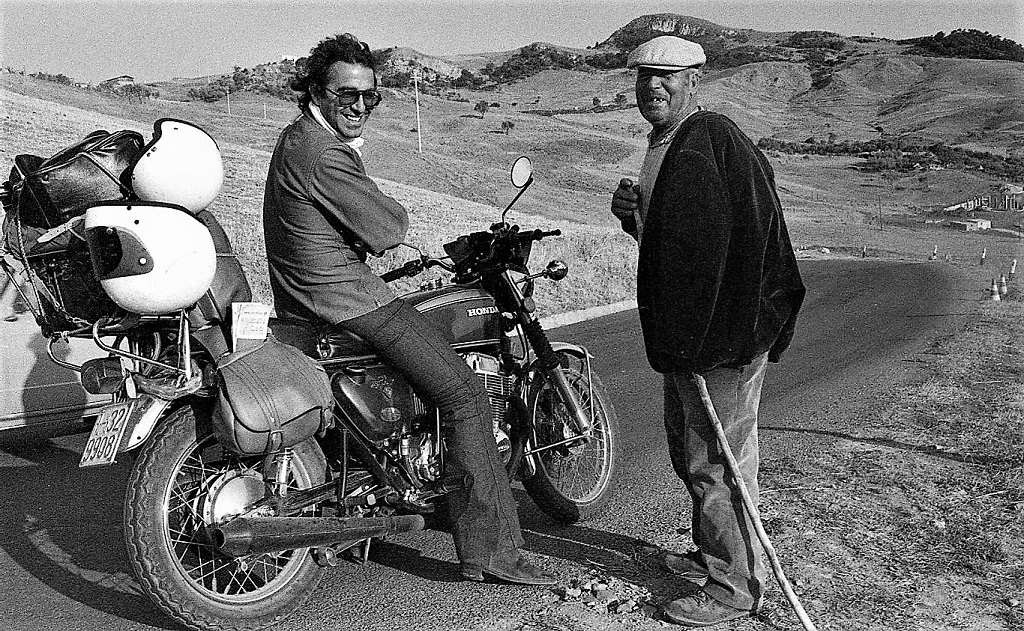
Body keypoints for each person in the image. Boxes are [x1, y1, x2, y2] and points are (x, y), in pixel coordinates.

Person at [263, 33, 554, 586]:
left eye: (369, 96)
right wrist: (388, 218)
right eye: (346, 94)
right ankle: (493, 552)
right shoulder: (323, 152)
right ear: (316, 93)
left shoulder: (294, 141)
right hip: (348, 301)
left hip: (303, 304)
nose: (360, 106)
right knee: (464, 394)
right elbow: (387, 227)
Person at [610, 36, 805, 627]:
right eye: (644, 75)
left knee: (717, 462)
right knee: (694, 452)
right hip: (702, 332)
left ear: (694, 80)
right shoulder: (671, 143)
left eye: (666, 75)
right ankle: (716, 554)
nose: (652, 85)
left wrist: (696, 341)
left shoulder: (704, 140)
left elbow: (718, 254)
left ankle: (735, 586)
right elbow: (681, 244)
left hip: (717, 335)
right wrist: (636, 218)